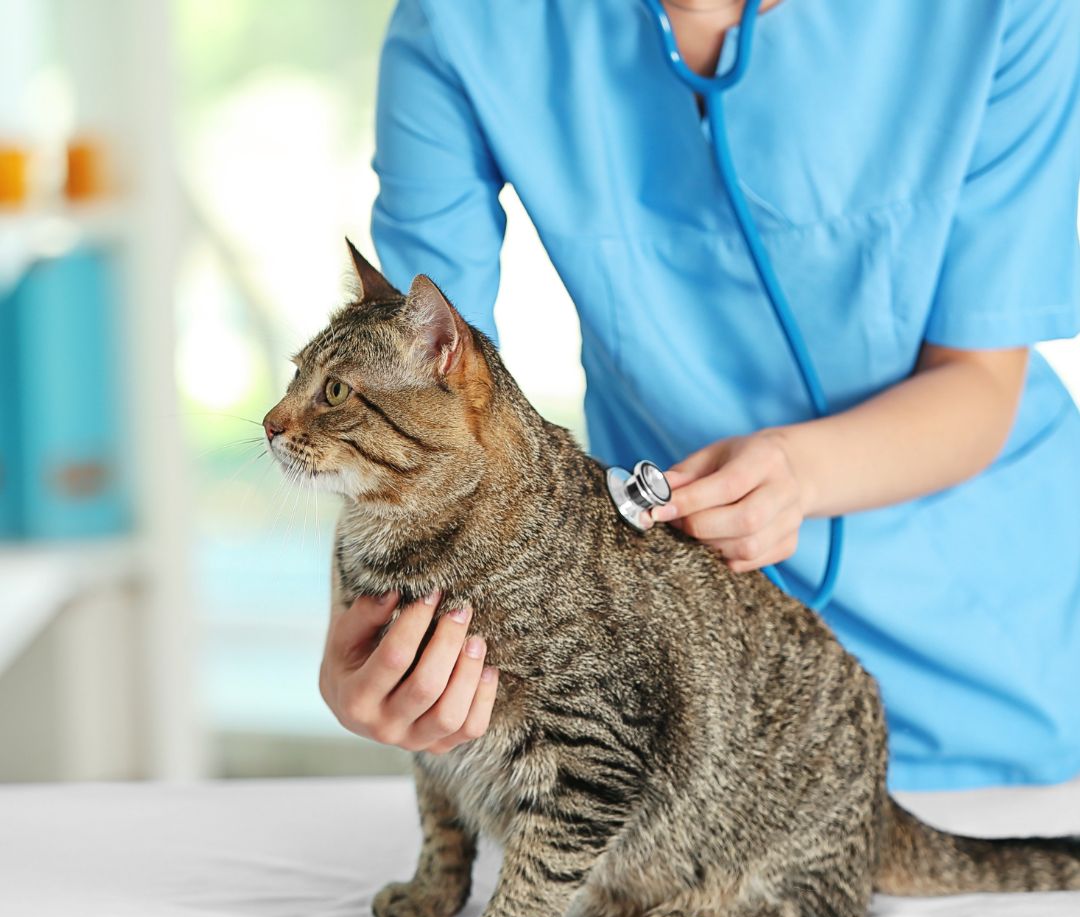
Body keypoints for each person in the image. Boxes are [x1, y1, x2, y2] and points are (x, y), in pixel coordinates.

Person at [319, 0, 1080, 791]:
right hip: (678, 691)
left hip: (993, 667)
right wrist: (360, 635)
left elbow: (983, 378)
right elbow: (408, 389)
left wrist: (799, 471)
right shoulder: (461, 25)